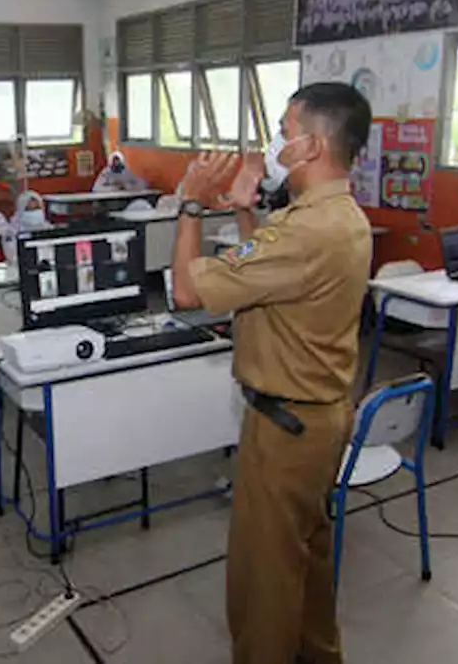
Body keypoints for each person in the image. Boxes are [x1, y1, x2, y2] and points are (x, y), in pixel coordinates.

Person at [170, 82, 374, 664]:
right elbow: (272, 267)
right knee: (306, 561)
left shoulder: (308, 230)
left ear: (310, 146)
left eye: (285, 131)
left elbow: (187, 290)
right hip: (320, 419)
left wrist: (190, 202)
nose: (276, 142)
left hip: (285, 431)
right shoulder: (338, 216)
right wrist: (241, 206)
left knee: (264, 581)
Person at [4, 190, 53, 263]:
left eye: (37, 208)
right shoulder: (12, 230)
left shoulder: (47, 227)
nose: (34, 212)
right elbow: (11, 252)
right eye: (29, 209)